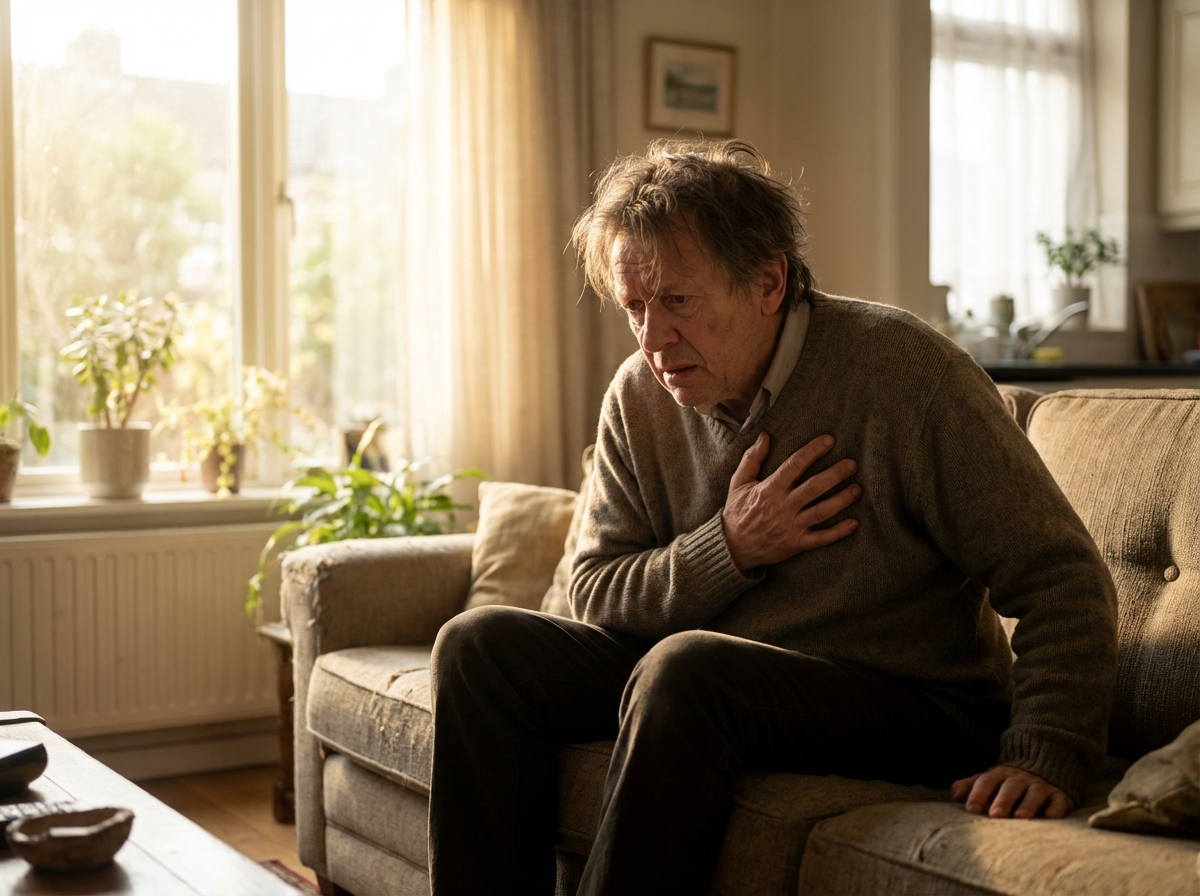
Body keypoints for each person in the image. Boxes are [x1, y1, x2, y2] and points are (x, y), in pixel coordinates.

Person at [427, 140, 1118, 896]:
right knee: (480, 646)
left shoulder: (905, 374)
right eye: (635, 307)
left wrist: (1046, 746)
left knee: (687, 667)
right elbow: (596, 587)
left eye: (678, 301)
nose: (653, 338)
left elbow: (1061, 577)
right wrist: (728, 548)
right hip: (720, 683)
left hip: (911, 702)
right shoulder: (639, 395)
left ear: (768, 281)